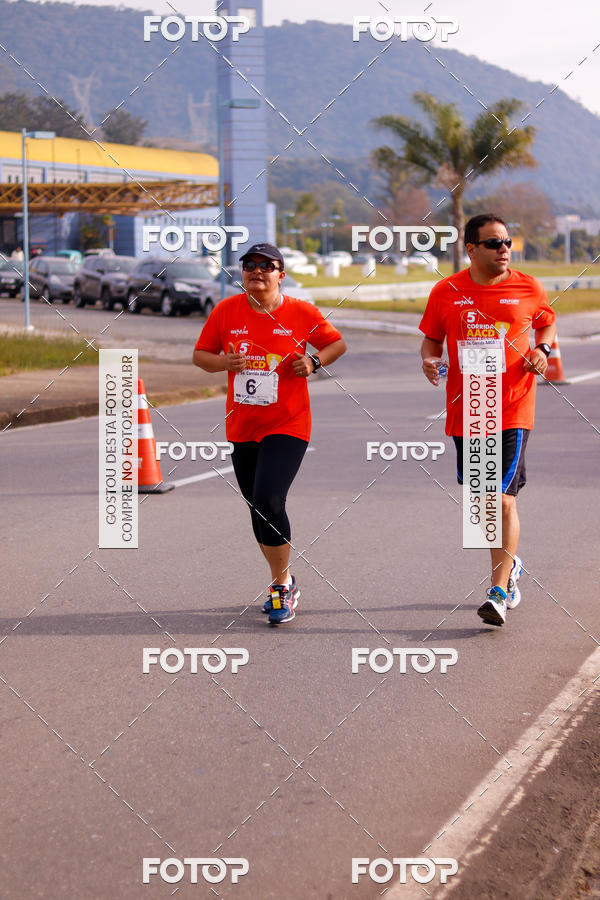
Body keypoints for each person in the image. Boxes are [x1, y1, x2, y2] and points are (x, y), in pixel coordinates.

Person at [193, 243, 346, 625]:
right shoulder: (226, 311)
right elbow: (200, 355)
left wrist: (313, 361)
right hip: (243, 426)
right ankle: (286, 580)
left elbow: (336, 343)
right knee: (257, 508)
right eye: (249, 265)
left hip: (289, 424)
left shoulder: (300, 312)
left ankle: (280, 586)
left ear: (281, 274)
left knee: (269, 497)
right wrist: (222, 362)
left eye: (267, 266)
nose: (256, 271)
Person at [419, 214, 556, 627]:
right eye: (494, 243)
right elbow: (431, 338)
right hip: (470, 409)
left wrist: (543, 352)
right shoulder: (446, 291)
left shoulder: (528, 286)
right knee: (481, 507)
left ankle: (497, 590)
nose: (504, 250)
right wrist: (429, 359)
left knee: (501, 498)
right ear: (471, 248)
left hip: (513, 407)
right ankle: (511, 568)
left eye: (508, 242)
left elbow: (547, 323)